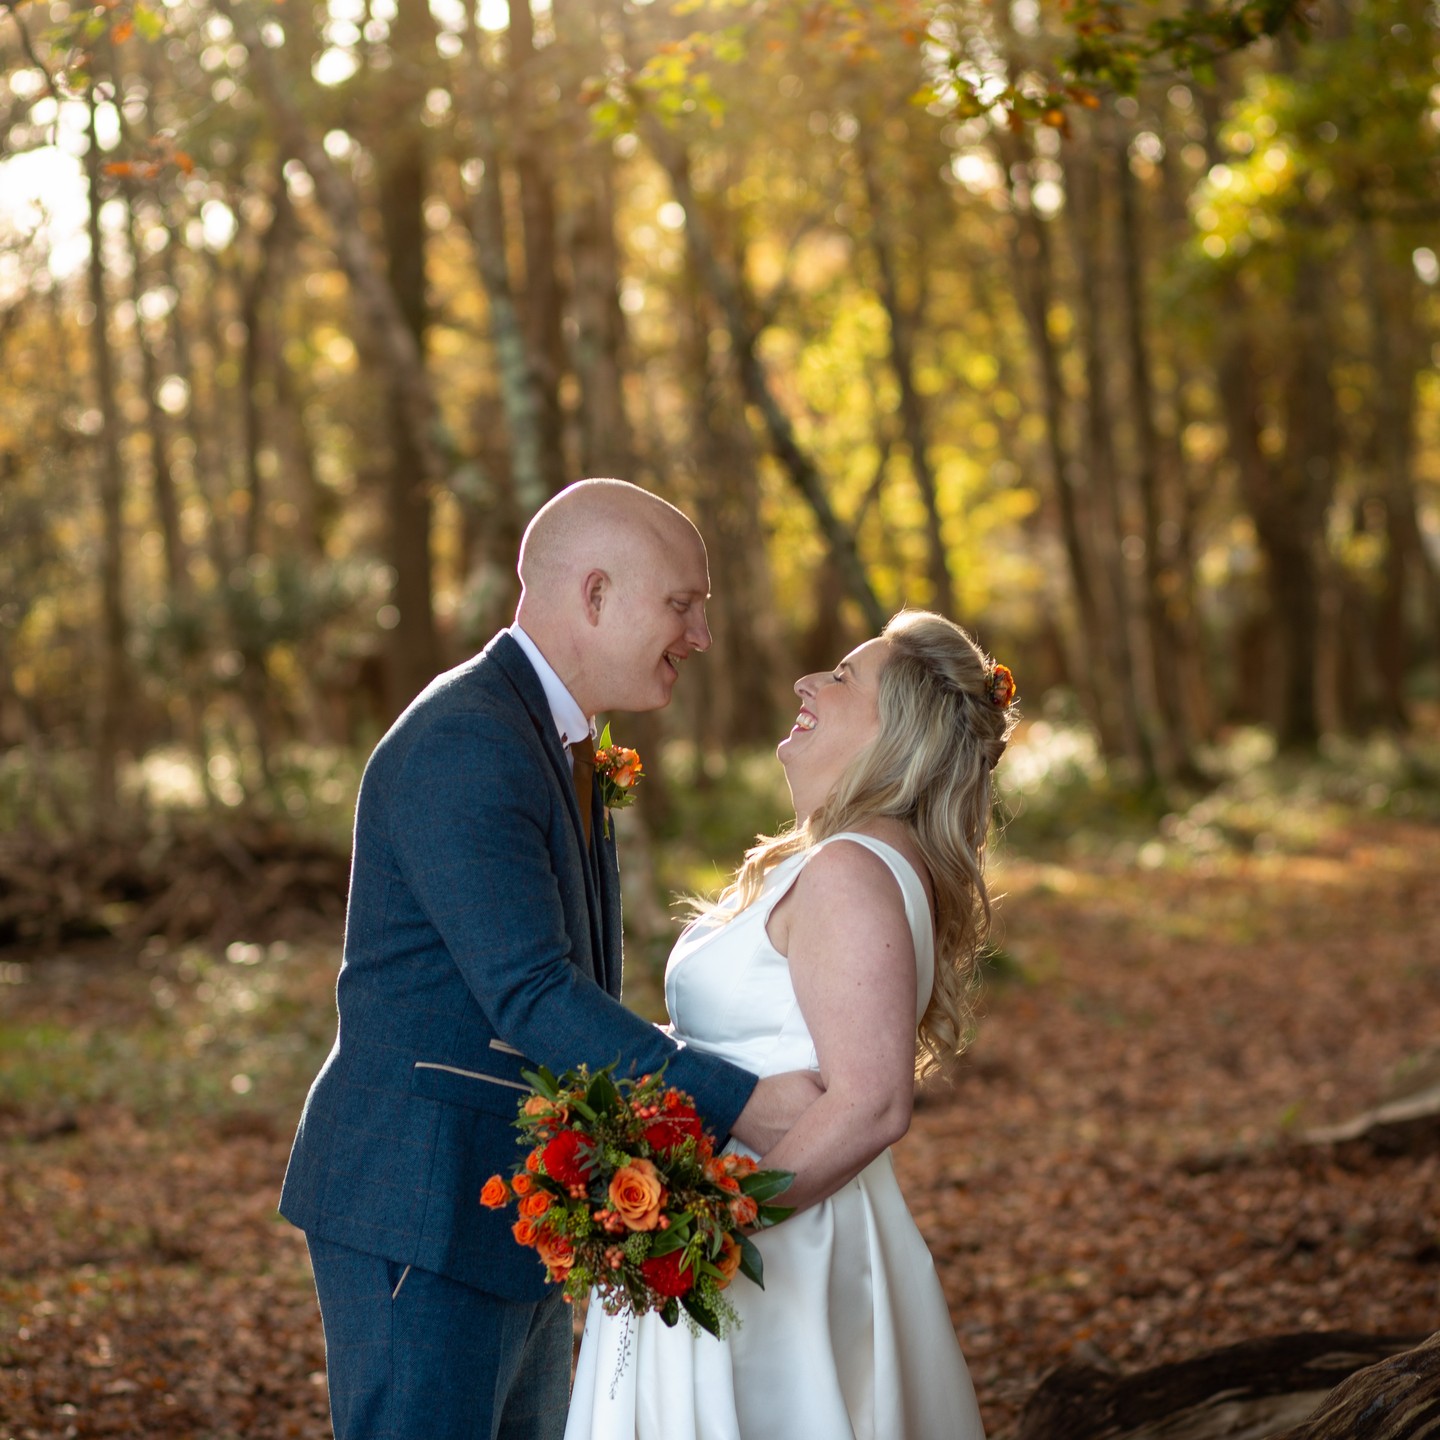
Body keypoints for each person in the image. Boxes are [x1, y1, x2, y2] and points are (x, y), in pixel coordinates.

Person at [279, 479, 821, 1440]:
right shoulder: (468, 739)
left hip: (507, 1199)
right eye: (682, 604)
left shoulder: (558, 735)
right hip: (425, 1199)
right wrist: (739, 1101)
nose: (699, 635)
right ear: (596, 594)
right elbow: (532, 993)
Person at [566, 609, 1019, 1440]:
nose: (809, 681)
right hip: (740, 1223)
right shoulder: (842, 855)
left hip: (780, 1249)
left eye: (844, 676)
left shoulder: (851, 869)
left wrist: (711, 1225)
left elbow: (872, 1102)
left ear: (900, 730)